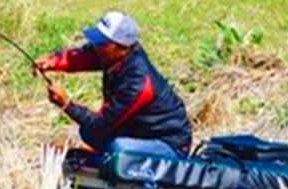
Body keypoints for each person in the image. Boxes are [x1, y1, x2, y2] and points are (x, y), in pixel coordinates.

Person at [33, 11, 193, 157]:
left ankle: (97, 159)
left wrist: (66, 104)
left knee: (116, 148)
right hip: (139, 132)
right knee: (88, 133)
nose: (95, 45)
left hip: (169, 144)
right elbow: (84, 56)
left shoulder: (137, 83)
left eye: (102, 42)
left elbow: (101, 123)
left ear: (121, 47)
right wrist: (52, 61)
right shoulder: (113, 55)